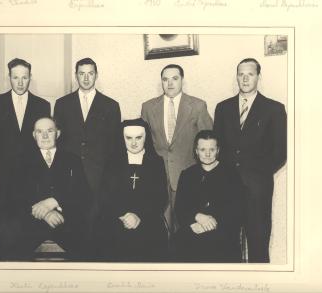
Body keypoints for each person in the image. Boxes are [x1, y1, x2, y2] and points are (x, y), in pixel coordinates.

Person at [213, 58, 287, 263]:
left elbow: (281, 151)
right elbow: (217, 146)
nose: (245, 79)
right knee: (227, 243)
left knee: (258, 244)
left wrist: (258, 174)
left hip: (257, 188)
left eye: (250, 74)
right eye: (241, 74)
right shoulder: (222, 108)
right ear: (236, 76)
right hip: (228, 187)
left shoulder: (274, 109)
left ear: (258, 77)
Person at [0, 58, 50, 260]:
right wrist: (1, 169)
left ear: (30, 78)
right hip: (2, 180)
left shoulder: (42, 105)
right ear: (9, 77)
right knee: (1, 234)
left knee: (26, 234)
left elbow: (45, 143)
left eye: (24, 77)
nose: (20, 82)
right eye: (16, 77)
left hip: (31, 182)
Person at [141, 64, 213, 237]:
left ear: (182, 80)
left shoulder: (197, 106)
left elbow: (209, 141)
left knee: (185, 228)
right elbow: (145, 144)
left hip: (187, 179)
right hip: (158, 178)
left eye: (175, 78)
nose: (170, 83)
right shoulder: (148, 107)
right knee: (159, 229)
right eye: (165, 79)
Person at [13, 117, 93, 261]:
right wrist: (45, 214)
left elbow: (84, 194)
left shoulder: (72, 159)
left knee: (85, 250)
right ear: (34, 135)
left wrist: (55, 201)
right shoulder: (21, 160)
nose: (44, 136)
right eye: (39, 131)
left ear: (58, 133)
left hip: (66, 219)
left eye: (49, 131)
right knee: (16, 252)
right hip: (33, 220)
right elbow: (16, 196)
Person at [99, 118, 168, 262]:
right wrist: (124, 215)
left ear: (146, 138)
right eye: (129, 138)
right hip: (118, 218)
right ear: (122, 138)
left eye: (139, 137)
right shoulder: (112, 162)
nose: (134, 143)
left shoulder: (156, 162)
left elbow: (160, 198)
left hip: (147, 219)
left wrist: (139, 216)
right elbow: (105, 195)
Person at [173, 130, 245, 262]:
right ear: (196, 151)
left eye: (212, 149)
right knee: (178, 243)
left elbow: (237, 208)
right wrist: (196, 218)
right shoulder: (187, 175)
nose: (207, 154)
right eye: (202, 149)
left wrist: (211, 224)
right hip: (193, 227)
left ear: (218, 150)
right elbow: (180, 206)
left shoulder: (231, 174)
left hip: (222, 232)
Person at [54, 57, 121, 197]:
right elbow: (58, 143)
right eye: (81, 73)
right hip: (69, 175)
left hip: (99, 177)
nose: (86, 78)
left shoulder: (111, 106)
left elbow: (114, 145)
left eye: (90, 73)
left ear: (96, 75)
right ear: (75, 75)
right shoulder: (62, 104)